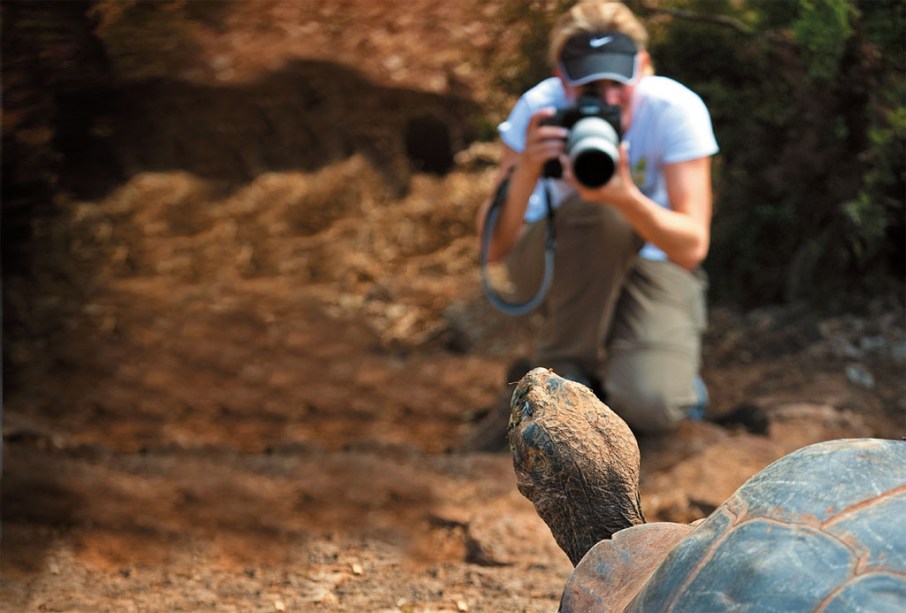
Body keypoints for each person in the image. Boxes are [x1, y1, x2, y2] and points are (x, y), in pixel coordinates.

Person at [477, 0, 718, 436]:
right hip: (557, 258)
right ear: (559, 76)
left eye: (616, 83)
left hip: (652, 263)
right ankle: (561, 375)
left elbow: (691, 248)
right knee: (597, 214)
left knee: (653, 406)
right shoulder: (539, 110)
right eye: (586, 86)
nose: (604, 99)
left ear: (643, 67)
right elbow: (493, 248)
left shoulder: (675, 109)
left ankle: (655, 372)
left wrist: (625, 197)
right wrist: (527, 168)